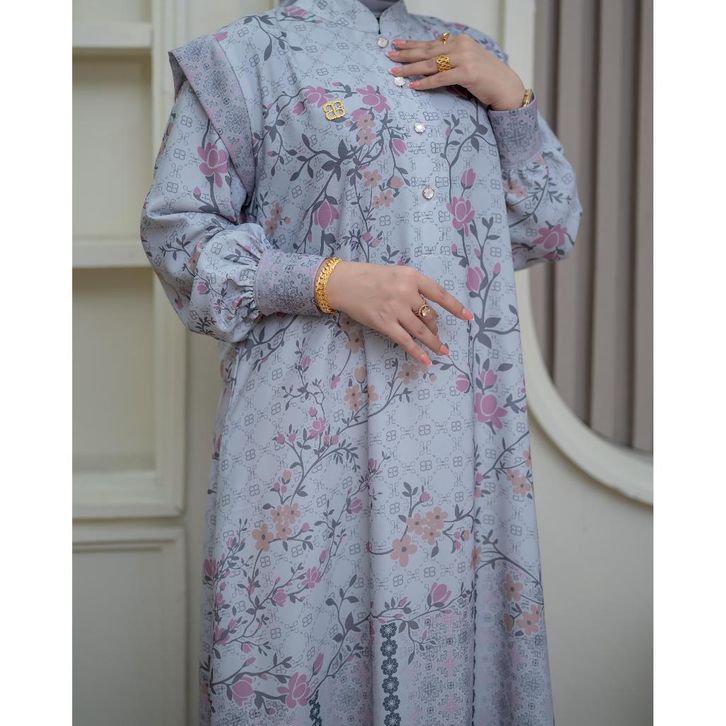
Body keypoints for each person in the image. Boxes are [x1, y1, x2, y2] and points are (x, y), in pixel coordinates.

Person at [139, 0, 582, 723]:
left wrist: (512, 101)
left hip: (458, 445)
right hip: (311, 442)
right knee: (301, 658)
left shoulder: (466, 50)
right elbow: (177, 238)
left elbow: (549, 227)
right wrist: (329, 281)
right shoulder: (243, 58)